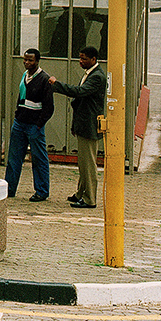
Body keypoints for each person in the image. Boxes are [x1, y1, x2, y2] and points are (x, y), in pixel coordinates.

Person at [50, 45, 107, 208]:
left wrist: (57, 85)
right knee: (83, 163)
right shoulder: (90, 74)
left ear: (93, 60)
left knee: (88, 165)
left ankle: (90, 199)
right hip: (83, 124)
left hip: (89, 126)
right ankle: (80, 193)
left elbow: (80, 92)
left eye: (84, 59)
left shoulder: (97, 77)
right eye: (80, 58)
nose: (80, 61)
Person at [4, 47, 54, 201]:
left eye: (30, 60)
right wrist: (17, 115)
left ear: (37, 61)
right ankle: (9, 189)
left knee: (39, 158)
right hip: (20, 122)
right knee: (13, 158)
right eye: (25, 59)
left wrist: (39, 125)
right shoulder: (25, 75)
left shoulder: (44, 79)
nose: (26, 62)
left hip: (34, 125)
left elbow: (49, 107)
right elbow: (21, 97)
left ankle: (42, 191)